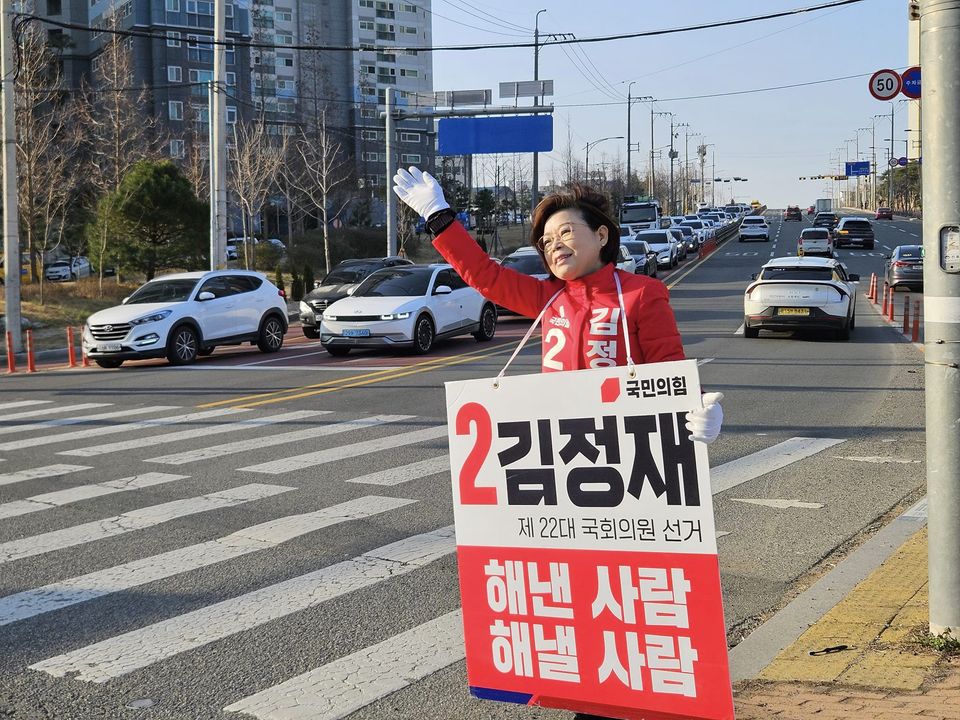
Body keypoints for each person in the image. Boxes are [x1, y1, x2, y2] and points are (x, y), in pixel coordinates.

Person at [394, 167, 723, 718]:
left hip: (630, 485)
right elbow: (484, 275)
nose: (555, 246)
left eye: (567, 232)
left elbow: (670, 371)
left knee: (634, 608)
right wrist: (440, 218)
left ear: (602, 235)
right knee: (579, 608)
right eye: (546, 242)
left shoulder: (643, 294)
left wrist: (700, 415)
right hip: (565, 484)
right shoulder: (548, 300)